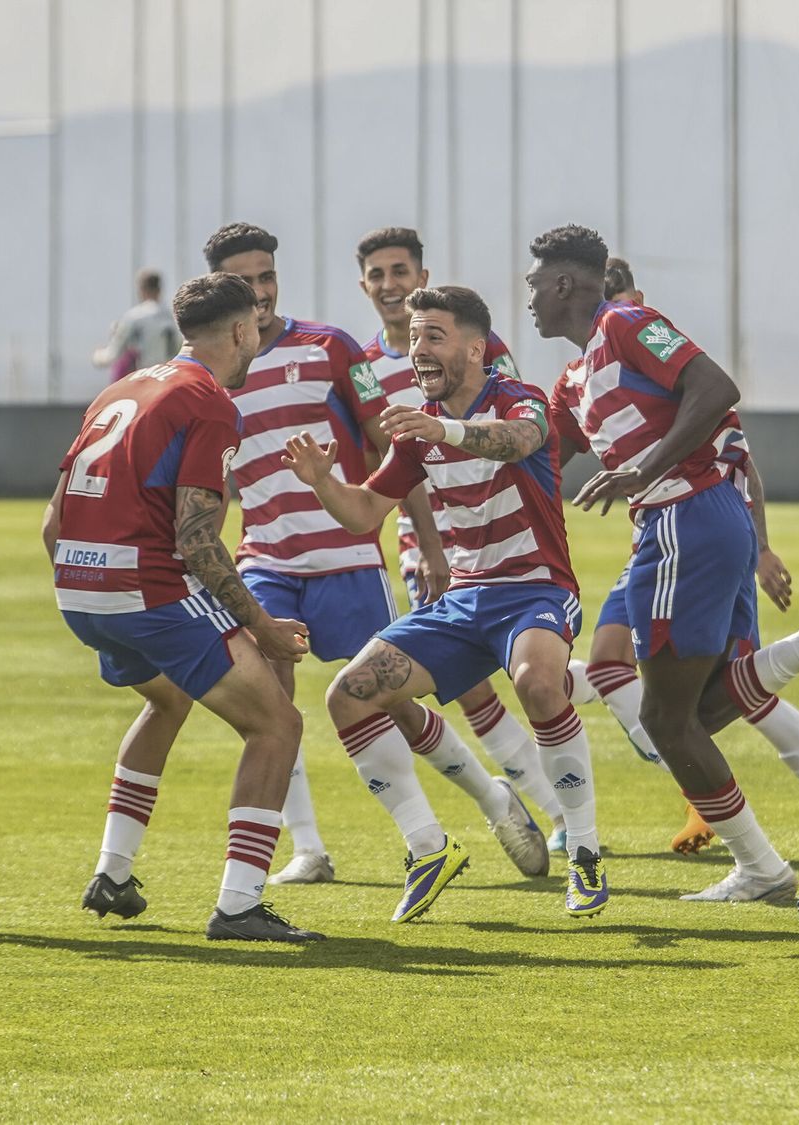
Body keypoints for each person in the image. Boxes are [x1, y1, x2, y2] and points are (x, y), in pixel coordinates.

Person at [205, 223, 547, 885]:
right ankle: (315, 847)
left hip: (348, 557)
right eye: (247, 280)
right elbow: (216, 476)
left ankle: (491, 794)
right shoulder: (208, 373)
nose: (262, 290)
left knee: (384, 696)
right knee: (270, 706)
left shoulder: (329, 347)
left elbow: (396, 453)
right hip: (265, 560)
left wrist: (429, 542)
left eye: (268, 275)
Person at [530, 224, 799, 904]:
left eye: (534, 284)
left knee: (668, 723)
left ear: (562, 284)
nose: (527, 298)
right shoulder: (575, 376)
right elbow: (538, 451)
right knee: (686, 713)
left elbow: (717, 386)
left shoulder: (625, 325)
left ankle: (762, 871)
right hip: (698, 522)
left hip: (685, 519)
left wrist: (642, 467)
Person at [283, 285, 605, 921]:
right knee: (348, 694)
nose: (417, 349)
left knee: (539, 685)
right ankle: (427, 845)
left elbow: (517, 441)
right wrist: (324, 483)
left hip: (535, 587)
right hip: (464, 600)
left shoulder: (521, 399)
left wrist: (445, 429)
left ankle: (587, 852)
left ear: (476, 349)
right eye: (412, 337)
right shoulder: (416, 433)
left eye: (433, 336)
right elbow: (362, 514)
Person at [44, 272, 324, 943]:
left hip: (77, 589)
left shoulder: (120, 390)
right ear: (239, 330)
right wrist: (263, 626)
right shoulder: (209, 401)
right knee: (277, 723)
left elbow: (53, 525)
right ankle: (239, 904)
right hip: (145, 591)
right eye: (256, 325)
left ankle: (112, 872)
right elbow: (196, 540)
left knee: (167, 699)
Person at [355, 225, 567, 844]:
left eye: (400, 272)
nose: (390, 285)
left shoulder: (475, 346)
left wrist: (445, 545)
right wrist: (424, 543)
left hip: (486, 539)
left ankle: (555, 812)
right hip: (423, 534)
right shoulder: (364, 363)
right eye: (377, 275)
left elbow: (504, 431)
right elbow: (393, 465)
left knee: (504, 673)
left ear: (420, 278)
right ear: (363, 284)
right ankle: (512, 800)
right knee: (452, 684)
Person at [92, 269, 181, 383]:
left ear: (141, 290)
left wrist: (97, 357)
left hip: (146, 379)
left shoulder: (135, 317)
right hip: (168, 379)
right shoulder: (173, 316)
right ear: (160, 289)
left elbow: (113, 354)